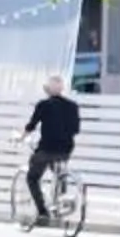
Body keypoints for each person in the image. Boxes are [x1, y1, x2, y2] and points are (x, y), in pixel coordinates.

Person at [21, 77, 81, 228]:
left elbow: (32, 125)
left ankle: (42, 212)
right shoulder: (72, 106)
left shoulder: (44, 105)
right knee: (59, 174)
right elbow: (76, 130)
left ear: (48, 90)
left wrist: (21, 137)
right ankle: (60, 202)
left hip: (46, 149)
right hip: (66, 149)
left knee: (32, 178)